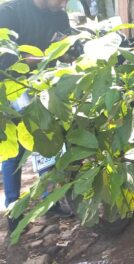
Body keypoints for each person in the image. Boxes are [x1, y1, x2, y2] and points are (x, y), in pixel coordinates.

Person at [0, 0, 73, 232]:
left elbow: (68, 52)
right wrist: (46, 58)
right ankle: (14, 206)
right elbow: (5, 60)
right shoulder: (10, 12)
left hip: (47, 89)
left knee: (49, 143)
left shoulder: (60, 15)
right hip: (13, 88)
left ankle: (48, 198)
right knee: (15, 150)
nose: (64, 4)